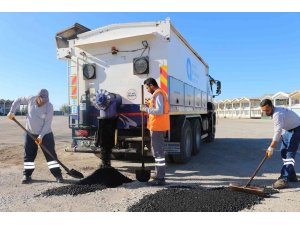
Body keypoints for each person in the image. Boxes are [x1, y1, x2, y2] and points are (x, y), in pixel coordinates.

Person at [7, 89, 64, 184]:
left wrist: (41, 136)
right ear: (38, 97)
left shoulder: (49, 106)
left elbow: (47, 124)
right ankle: (27, 175)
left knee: (51, 155)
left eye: (47, 98)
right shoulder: (30, 99)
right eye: (43, 98)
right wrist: (12, 111)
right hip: (29, 133)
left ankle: (58, 175)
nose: (45, 101)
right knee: (29, 155)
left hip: (46, 134)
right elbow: (18, 100)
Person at [261, 99, 300, 189]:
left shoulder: (277, 114)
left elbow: (277, 132)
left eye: (267, 110)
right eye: (263, 110)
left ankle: (284, 178)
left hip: (297, 129)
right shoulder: (275, 112)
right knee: (283, 151)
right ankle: (292, 176)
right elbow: (280, 128)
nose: (265, 112)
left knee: (290, 153)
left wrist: (271, 147)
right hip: (288, 130)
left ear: (272, 107)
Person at [140, 78, 170, 186]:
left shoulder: (158, 94)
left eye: (147, 88)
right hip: (157, 127)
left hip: (158, 127)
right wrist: (148, 104)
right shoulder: (158, 94)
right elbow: (156, 107)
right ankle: (158, 174)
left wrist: (145, 109)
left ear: (151, 85)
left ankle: (160, 178)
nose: (147, 90)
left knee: (158, 153)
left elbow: (159, 110)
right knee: (157, 152)